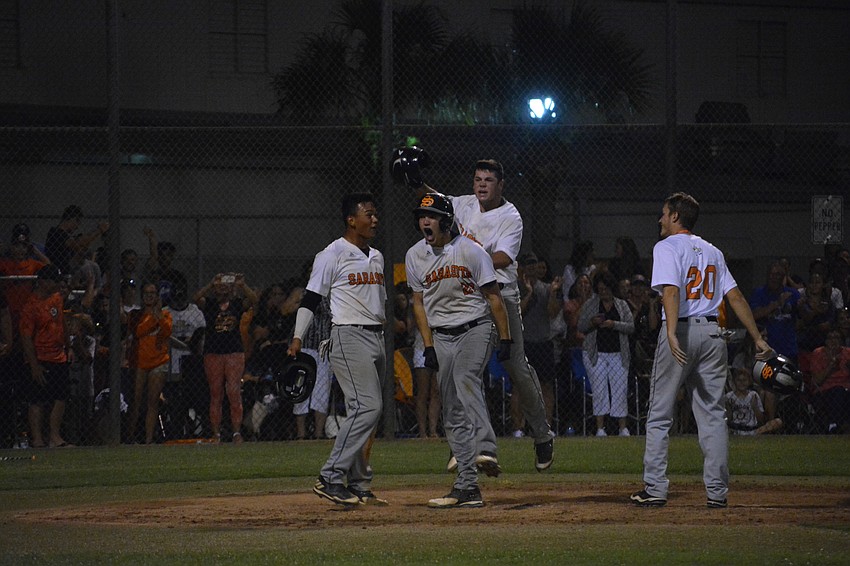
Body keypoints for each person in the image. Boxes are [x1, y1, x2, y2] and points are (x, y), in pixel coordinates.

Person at [631, 192, 773, 509]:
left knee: (658, 415)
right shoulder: (713, 251)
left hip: (680, 330)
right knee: (712, 417)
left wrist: (669, 331)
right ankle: (717, 493)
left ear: (676, 217)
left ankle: (655, 487)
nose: (660, 219)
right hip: (712, 334)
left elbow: (671, 289)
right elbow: (735, 297)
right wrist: (757, 338)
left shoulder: (666, 246)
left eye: (664, 214)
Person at [418, 158, 555, 471]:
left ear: (500, 185)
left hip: (500, 294)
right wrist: (415, 182)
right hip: (469, 297)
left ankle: (542, 434)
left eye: (488, 180)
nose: (481, 184)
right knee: (460, 370)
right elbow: (435, 202)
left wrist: (465, 263)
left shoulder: (510, 216)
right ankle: (466, 446)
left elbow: (504, 258)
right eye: (478, 178)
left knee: (516, 368)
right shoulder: (464, 204)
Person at [405, 193, 513, 508]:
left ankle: (487, 448)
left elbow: (493, 298)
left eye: (433, 215)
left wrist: (504, 339)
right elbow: (418, 303)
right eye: (423, 215)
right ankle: (467, 487)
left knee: (466, 377)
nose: (426, 221)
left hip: (476, 327)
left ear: (447, 221)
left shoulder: (470, 251)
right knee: (451, 406)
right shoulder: (415, 255)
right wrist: (427, 345)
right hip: (441, 334)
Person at [288, 193, 388, 507]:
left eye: (375, 214)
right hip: (348, 335)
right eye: (368, 214)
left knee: (368, 413)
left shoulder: (377, 257)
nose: (374, 220)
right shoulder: (331, 254)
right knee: (367, 407)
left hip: (377, 338)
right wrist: (297, 338)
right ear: (350, 219)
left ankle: (358, 484)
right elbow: (311, 299)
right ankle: (330, 477)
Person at [194, 272, 257, 444]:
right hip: (213, 352)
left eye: (225, 284)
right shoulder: (209, 304)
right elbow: (195, 299)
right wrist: (210, 284)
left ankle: (236, 432)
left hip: (234, 352)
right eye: (220, 285)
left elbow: (254, 300)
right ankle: (217, 433)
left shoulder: (237, 304)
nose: (222, 287)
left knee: (234, 391)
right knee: (216, 393)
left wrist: (242, 285)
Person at [19, 264, 72, 448]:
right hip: (40, 357)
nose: (57, 284)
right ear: (42, 282)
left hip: (58, 356)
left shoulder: (57, 298)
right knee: (37, 399)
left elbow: (62, 322)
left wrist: (68, 345)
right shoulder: (31, 306)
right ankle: (37, 438)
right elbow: (26, 338)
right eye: (53, 281)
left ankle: (55, 437)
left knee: (61, 396)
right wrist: (33, 365)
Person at [577, 270, 635, 436]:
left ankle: (622, 427)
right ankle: (600, 428)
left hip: (618, 353)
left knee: (620, 389)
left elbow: (630, 327)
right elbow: (581, 326)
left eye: (606, 289)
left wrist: (614, 324)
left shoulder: (622, 305)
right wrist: (592, 322)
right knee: (599, 388)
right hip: (596, 354)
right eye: (600, 289)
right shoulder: (590, 304)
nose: (603, 292)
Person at [517, 251, 561, 429]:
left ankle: (546, 424)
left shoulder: (546, 288)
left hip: (543, 342)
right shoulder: (517, 287)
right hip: (524, 342)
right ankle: (518, 428)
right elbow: (518, 312)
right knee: (520, 386)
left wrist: (553, 293)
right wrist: (528, 294)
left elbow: (552, 313)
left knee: (546, 385)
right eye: (529, 265)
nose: (532, 268)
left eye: (534, 265)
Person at [126, 283, 173, 444]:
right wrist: (154, 317)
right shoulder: (136, 314)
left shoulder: (165, 314)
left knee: (152, 401)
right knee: (135, 400)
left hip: (158, 361)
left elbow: (167, 331)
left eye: (153, 293)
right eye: (146, 292)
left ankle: (148, 439)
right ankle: (129, 437)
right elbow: (138, 331)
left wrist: (158, 315)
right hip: (140, 361)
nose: (149, 296)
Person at [750, 261, 799, 363]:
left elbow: (802, 316)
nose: (774, 277)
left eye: (778, 274)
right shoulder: (759, 293)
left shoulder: (792, 293)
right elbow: (753, 315)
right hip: (767, 346)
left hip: (788, 347)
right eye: (772, 274)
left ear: (783, 277)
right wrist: (777, 303)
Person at [44, 205, 109, 279]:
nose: (77, 227)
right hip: (55, 272)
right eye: (77, 222)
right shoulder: (56, 233)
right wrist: (99, 231)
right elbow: (77, 244)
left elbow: (81, 244)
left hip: (66, 272)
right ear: (72, 219)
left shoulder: (67, 236)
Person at [808, 328, 850, 434]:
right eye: (830, 338)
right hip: (825, 391)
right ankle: (834, 424)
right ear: (825, 341)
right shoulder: (818, 353)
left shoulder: (848, 353)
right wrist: (831, 366)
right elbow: (817, 381)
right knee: (838, 392)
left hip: (846, 389)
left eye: (836, 338)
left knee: (843, 392)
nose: (833, 341)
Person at [725, 368, 782, 435]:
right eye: (739, 380)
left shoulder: (753, 395)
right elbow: (728, 419)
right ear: (734, 381)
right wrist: (729, 407)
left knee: (778, 422)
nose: (741, 383)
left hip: (752, 429)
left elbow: (761, 420)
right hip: (735, 429)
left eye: (744, 380)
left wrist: (755, 407)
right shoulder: (729, 396)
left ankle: (755, 433)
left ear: (749, 381)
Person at [143, 229, 188, 306]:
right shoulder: (153, 274)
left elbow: (181, 297)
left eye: (168, 255)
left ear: (172, 256)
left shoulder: (178, 276)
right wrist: (152, 239)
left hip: (172, 310)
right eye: (162, 255)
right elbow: (151, 261)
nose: (164, 258)